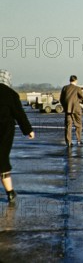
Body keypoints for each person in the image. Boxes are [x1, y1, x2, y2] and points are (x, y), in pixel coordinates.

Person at [0, 70, 35, 202]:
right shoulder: (11, 94)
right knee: (2, 158)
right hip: (5, 130)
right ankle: (9, 192)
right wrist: (28, 130)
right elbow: (19, 114)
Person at [60, 75, 83, 146]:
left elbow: (61, 99)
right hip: (76, 109)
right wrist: (78, 100)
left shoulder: (65, 88)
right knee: (78, 125)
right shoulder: (77, 88)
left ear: (70, 80)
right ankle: (79, 140)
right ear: (76, 80)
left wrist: (65, 106)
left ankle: (68, 142)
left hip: (67, 110)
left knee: (68, 126)